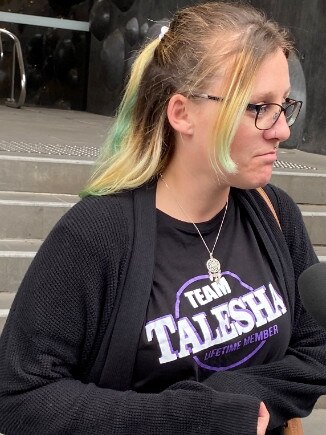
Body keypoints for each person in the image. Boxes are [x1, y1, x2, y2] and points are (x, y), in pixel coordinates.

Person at [0, 2, 325, 434]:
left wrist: (235, 397)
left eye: (284, 105)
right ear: (182, 113)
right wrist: (193, 418)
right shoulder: (94, 235)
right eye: (258, 107)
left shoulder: (274, 212)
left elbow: (315, 347)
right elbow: (20, 397)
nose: (282, 129)